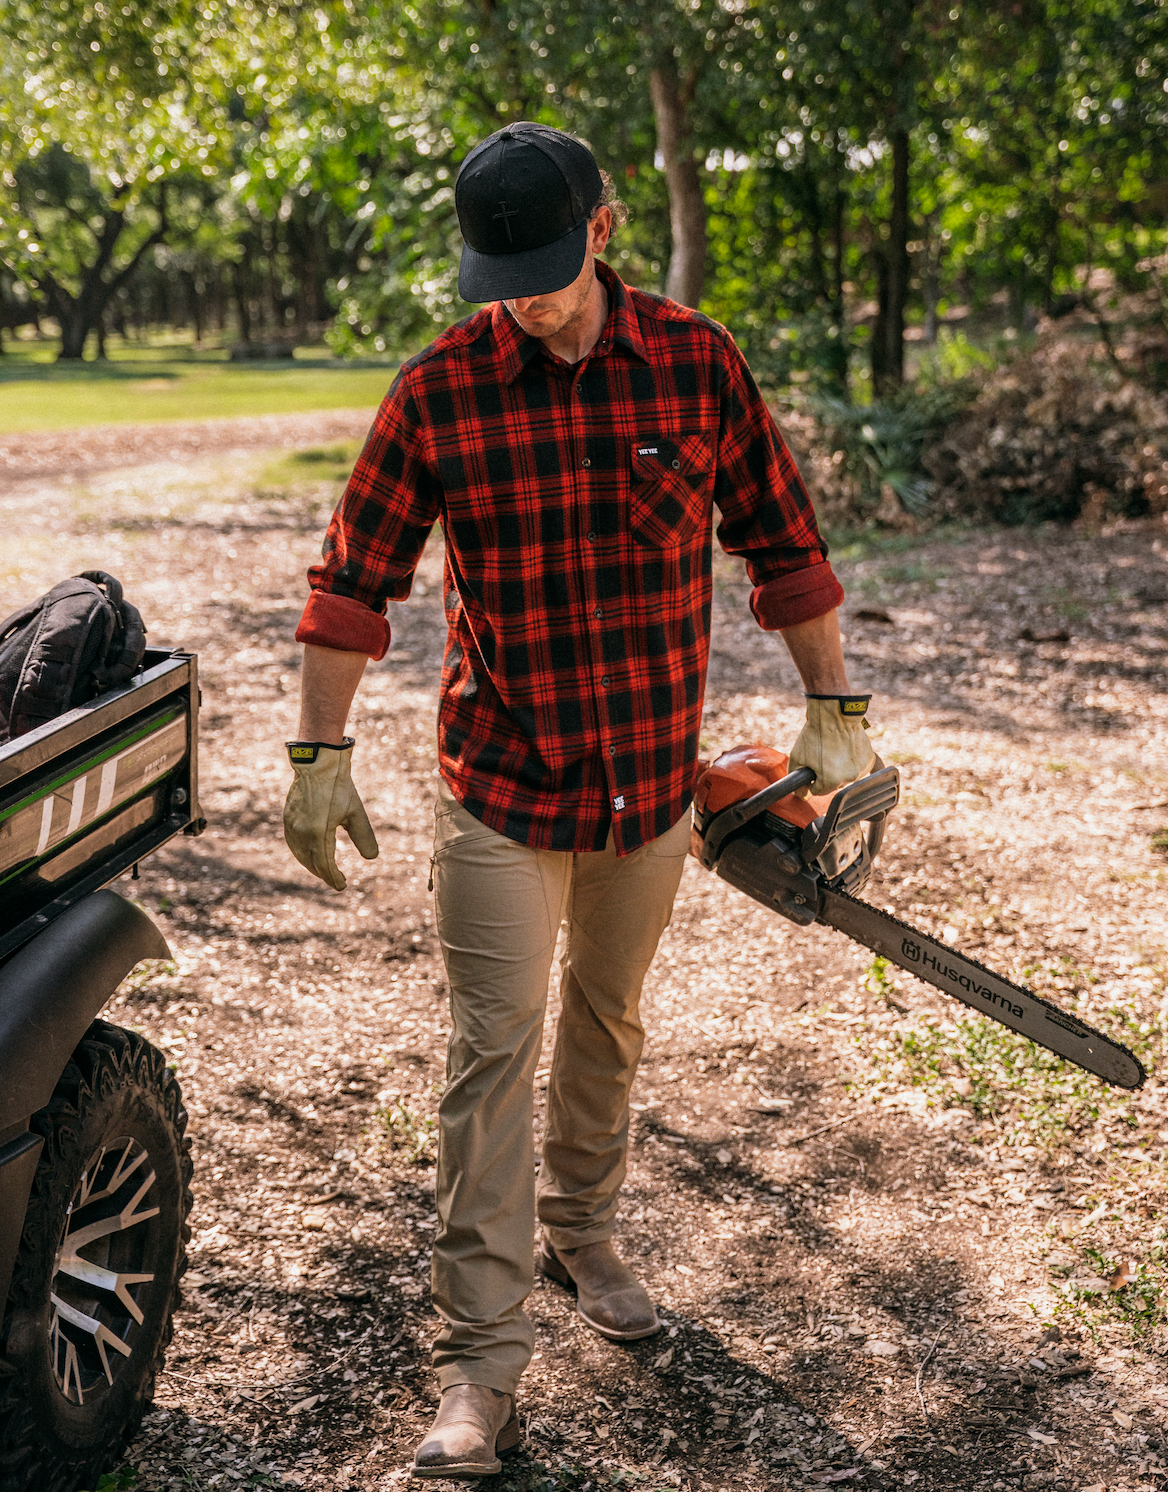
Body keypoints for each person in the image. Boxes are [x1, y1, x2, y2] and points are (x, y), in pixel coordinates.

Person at [282, 122, 875, 1479]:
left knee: (610, 1015)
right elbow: (350, 583)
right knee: (494, 1055)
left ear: (603, 231)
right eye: (502, 273)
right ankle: (476, 1371)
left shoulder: (694, 361)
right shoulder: (438, 387)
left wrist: (835, 708)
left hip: (652, 784)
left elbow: (783, 542)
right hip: (501, 780)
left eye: (546, 266)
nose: (525, 296)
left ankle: (584, 1227)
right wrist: (320, 753)